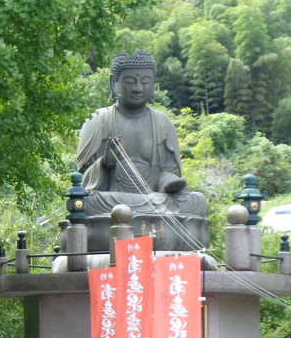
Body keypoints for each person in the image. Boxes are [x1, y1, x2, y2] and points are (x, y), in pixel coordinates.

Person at [77, 50, 207, 217]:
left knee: (197, 201)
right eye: (130, 81)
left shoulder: (163, 122)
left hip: (155, 200)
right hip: (110, 201)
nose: (138, 88)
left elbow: (170, 172)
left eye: (145, 81)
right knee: (84, 201)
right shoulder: (98, 120)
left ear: (153, 84)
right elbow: (80, 182)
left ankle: (134, 218)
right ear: (113, 83)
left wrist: (168, 182)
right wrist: (104, 163)